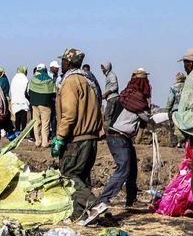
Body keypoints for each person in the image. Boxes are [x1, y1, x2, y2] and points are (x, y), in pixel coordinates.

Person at [87, 69, 153, 221]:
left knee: (132, 169)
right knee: (123, 169)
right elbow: (146, 118)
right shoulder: (137, 98)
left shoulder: (126, 94)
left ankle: (131, 199)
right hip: (119, 137)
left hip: (119, 136)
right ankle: (103, 200)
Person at [54, 48, 104, 219]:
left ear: (68, 62)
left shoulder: (70, 81)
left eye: (63, 61)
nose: (61, 64)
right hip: (91, 137)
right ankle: (80, 215)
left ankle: (95, 205)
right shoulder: (89, 80)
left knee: (69, 175)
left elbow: (69, 114)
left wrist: (59, 138)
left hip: (76, 138)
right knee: (82, 177)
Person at [27, 65, 56, 148]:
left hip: (34, 104)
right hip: (46, 104)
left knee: (36, 122)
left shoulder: (33, 80)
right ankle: (45, 142)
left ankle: (37, 141)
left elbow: (28, 92)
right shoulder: (49, 80)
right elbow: (53, 92)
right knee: (45, 123)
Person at [172, 47, 193, 143]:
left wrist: (176, 117)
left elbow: (184, 103)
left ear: (191, 63)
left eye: (185, 64)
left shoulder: (190, 79)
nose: (184, 67)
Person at [10, 67, 30, 133]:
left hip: (15, 100)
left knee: (17, 117)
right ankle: (23, 132)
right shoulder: (25, 78)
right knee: (23, 117)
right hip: (23, 100)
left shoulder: (14, 78)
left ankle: (17, 130)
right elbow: (26, 91)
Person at [101, 62, 119, 128]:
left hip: (112, 98)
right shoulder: (108, 75)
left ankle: (108, 134)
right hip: (111, 98)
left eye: (103, 68)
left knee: (107, 117)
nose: (102, 70)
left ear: (107, 68)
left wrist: (106, 94)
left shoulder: (111, 75)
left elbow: (115, 86)